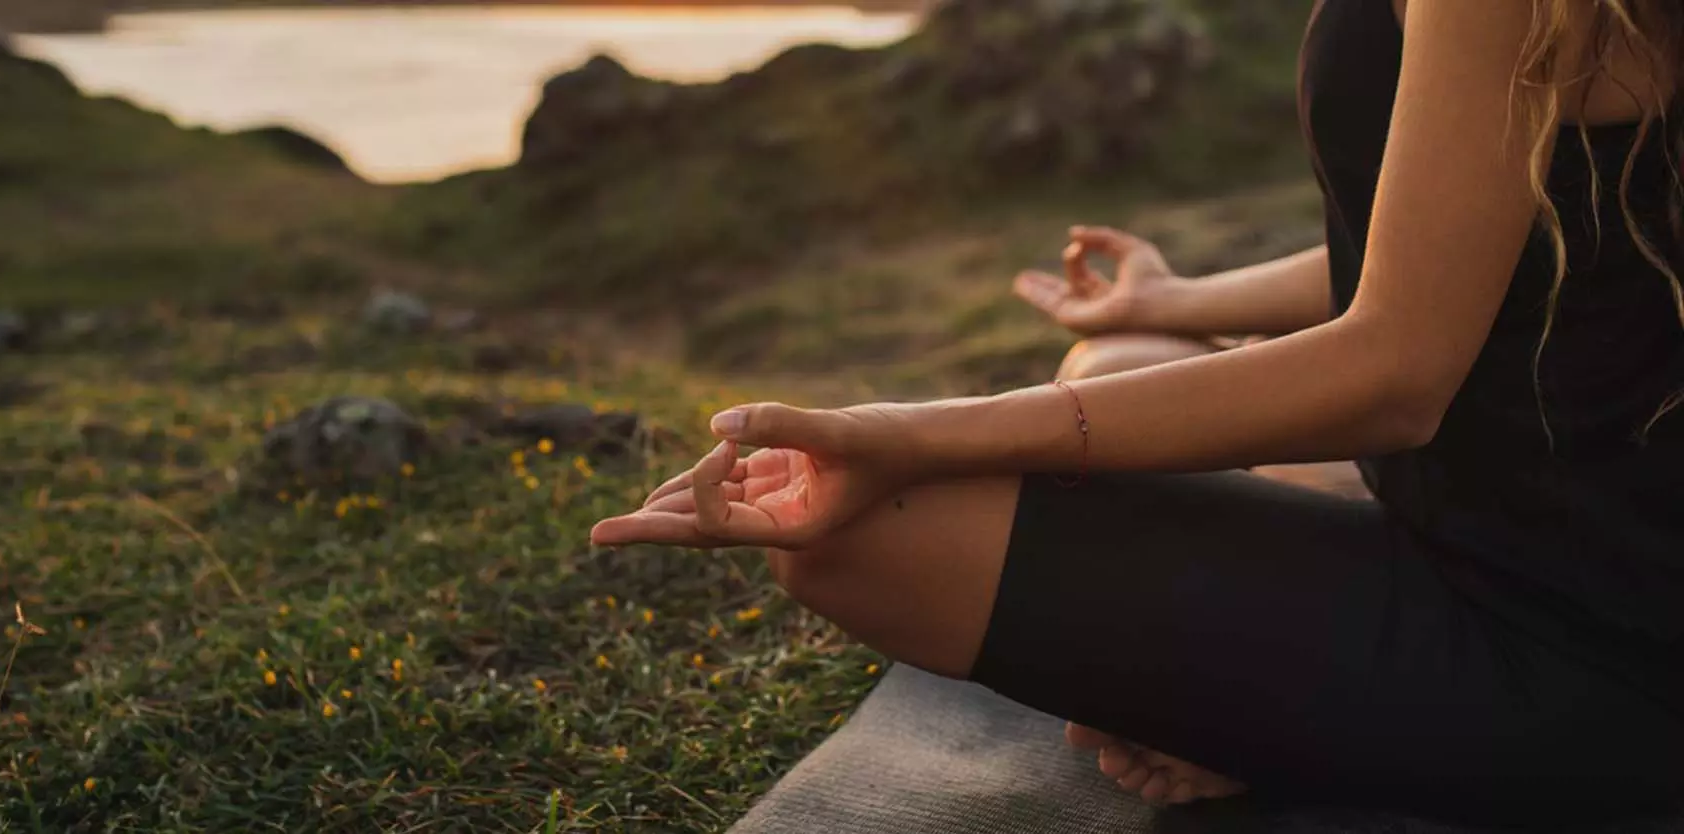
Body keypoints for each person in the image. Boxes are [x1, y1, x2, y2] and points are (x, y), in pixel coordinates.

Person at [592, 0, 1684, 825]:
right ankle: (1274, 697)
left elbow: (1396, 372)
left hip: (1589, 637)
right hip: (1480, 509)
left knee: (877, 530)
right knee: (1121, 355)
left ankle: (1282, 733)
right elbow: (1456, 247)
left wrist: (905, 433)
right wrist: (1174, 303)